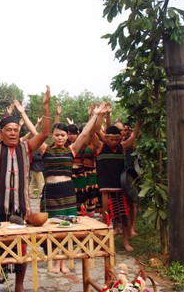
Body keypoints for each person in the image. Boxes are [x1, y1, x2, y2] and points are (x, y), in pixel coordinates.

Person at [0, 75, 51, 292]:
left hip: (20, 209)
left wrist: (46, 106)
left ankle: (18, 286)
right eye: (9, 130)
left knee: (20, 249)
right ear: (1, 132)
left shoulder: (26, 148)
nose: (14, 133)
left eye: (16, 130)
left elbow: (45, 132)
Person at [18, 100, 101, 274]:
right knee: (52, 227)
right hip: (50, 193)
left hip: (67, 191)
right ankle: (56, 261)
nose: (60, 137)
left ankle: (65, 262)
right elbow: (35, 131)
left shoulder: (72, 150)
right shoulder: (45, 149)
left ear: (66, 136)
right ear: (53, 136)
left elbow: (85, 132)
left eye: (63, 135)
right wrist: (22, 113)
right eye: (57, 135)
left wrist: (95, 115)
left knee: (67, 226)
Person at [93, 105, 139, 252]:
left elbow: (135, 134)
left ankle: (125, 242)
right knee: (106, 217)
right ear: (106, 137)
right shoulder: (100, 146)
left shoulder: (122, 146)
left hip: (121, 187)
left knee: (124, 217)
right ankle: (104, 243)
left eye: (117, 139)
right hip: (106, 189)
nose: (115, 142)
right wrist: (100, 114)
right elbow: (95, 130)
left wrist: (139, 118)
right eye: (112, 139)